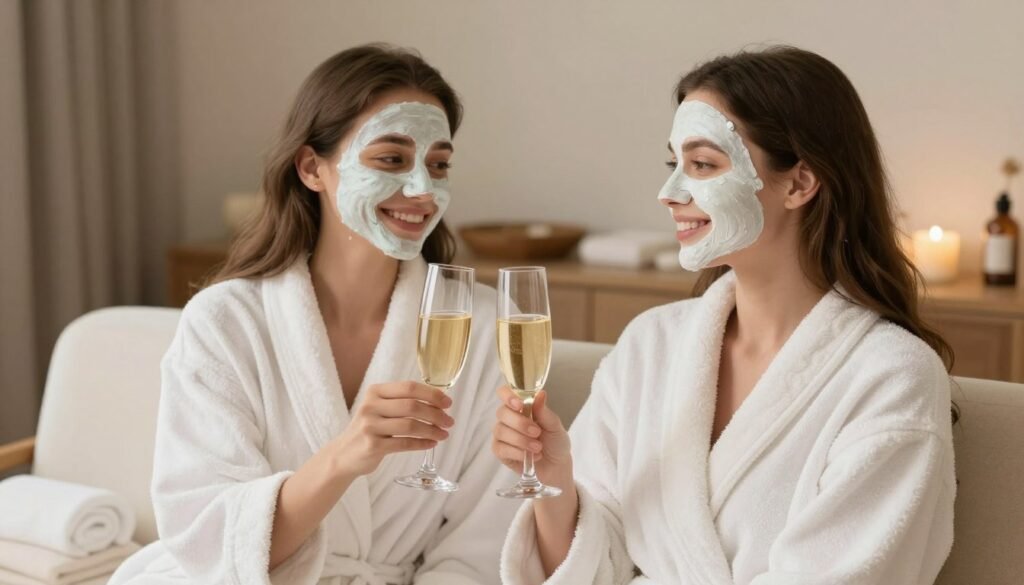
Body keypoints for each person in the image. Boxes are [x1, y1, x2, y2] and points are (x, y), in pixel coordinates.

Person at [494, 46, 956, 585]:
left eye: (703, 165)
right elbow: (588, 569)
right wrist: (555, 480)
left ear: (800, 183)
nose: (669, 194)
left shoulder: (892, 378)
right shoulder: (651, 344)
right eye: (674, 164)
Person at [112, 44, 517, 585]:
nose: (423, 189)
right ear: (312, 169)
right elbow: (209, 540)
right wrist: (346, 456)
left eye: (439, 165)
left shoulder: (483, 326)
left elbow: (486, 545)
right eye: (391, 159)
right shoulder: (226, 322)